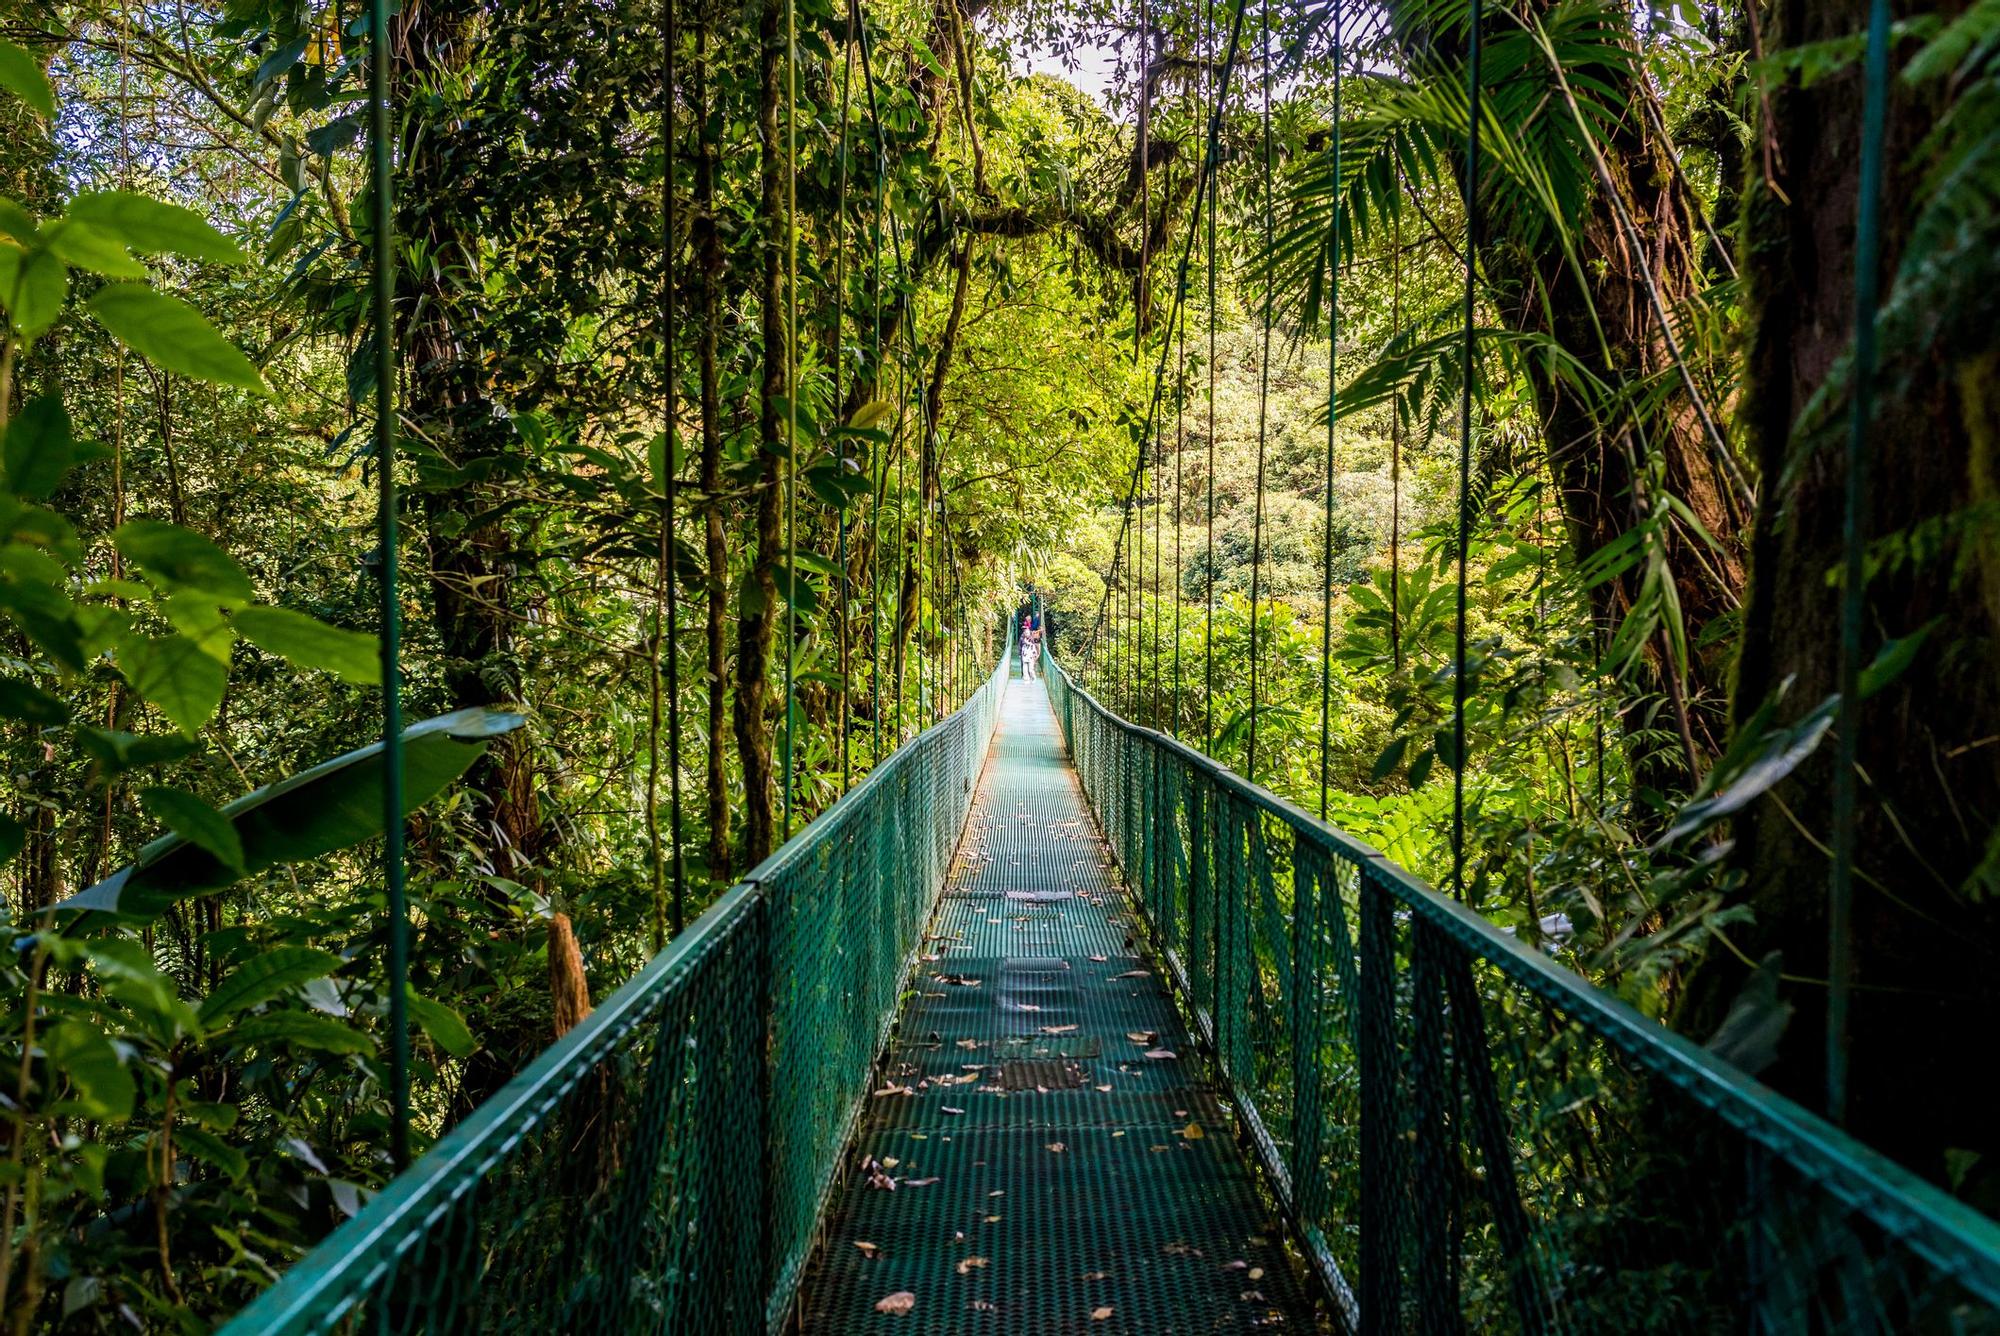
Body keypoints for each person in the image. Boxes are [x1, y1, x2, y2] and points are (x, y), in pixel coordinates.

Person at [1020, 612, 1039, 681]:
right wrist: (1020, 653)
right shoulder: (1022, 638)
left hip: (1030, 656)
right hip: (1025, 655)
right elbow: (1021, 646)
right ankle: (1026, 679)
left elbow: (1034, 645)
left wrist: (1035, 654)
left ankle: (1033, 677)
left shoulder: (1031, 639)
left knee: (1030, 669)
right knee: (1025, 668)